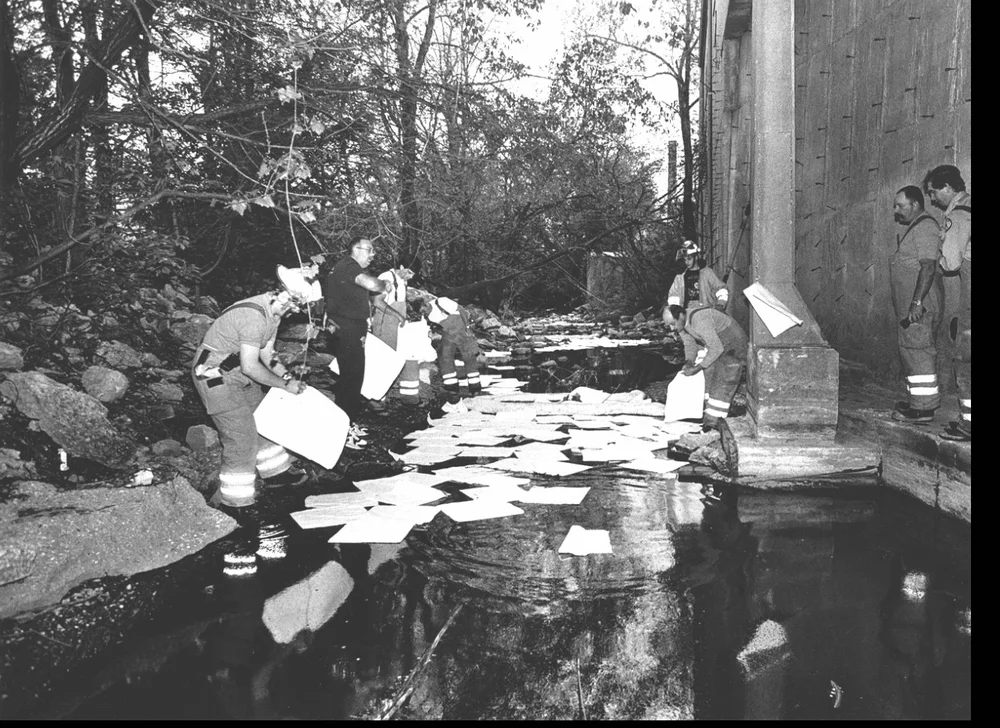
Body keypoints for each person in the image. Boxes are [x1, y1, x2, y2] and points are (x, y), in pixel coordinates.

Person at [192, 265, 319, 508]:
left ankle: (277, 474)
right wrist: (283, 385)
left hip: (236, 372)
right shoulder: (253, 317)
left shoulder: (273, 313)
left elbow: (267, 354)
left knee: (264, 418)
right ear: (284, 295)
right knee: (242, 439)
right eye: (295, 306)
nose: (294, 312)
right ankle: (236, 503)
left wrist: (288, 378)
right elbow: (251, 366)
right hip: (213, 376)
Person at [322, 236, 395, 449]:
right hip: (347, 328)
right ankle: (343, 432)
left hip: (348, 327)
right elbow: (371, 283)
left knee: (351, 378)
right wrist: (385, 284)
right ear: (356, 249)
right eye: (369, 250)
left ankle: (348, 424)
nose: (372, 255)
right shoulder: (348, 265)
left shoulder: (344, 268)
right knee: (351, 380)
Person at [924, 165, 971, 441]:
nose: (932, 199)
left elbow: (951, 262)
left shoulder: (959, 214)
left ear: (948, 188)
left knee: (965, 354)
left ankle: (969, 423)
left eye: (933, 192)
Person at [889, 186, 944, 424]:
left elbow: (928, 267)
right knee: (912, 351)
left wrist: (916, 302)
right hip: (912, 306)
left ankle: (923, 409)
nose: (896, 211)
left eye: (901, 206)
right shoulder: (917, 228)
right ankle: (917, 402)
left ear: (916, 205)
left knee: (918, 350)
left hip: (920, 305)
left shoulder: (925, 228)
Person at [662, 303, 747, 429]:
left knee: (724, 377)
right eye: (668, 325)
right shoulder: (682, 323)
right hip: (718, 345)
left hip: (733, 345)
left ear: (680, 315)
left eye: (672, 323)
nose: (671, 328)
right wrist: (689, 361)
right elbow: (689, 343)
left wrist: (697, 368)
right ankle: (706, 411)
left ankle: (715, 421)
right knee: (708, 372)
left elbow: (716, 348)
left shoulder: (700, 320)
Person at [424, 296, 481, 397]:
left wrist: (467, 327)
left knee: (468, 357)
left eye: (424, 308)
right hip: (448, 331)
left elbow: (461, 310)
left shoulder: (441, 301)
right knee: (445, 356)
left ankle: (474, 388)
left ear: (426, 304)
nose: (424, 311)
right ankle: (452, 388)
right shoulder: (426, 316)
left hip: (460, 329)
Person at [667, 239, 729, 312]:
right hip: (687, 313)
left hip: (706, 312)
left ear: (696, 257)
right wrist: (676, 310)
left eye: (689, 259)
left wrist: (720, 304)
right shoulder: (680, 277)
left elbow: (721, 289)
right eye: (684, 259)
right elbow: (673, 295)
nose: (687, 262)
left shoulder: (707, 273)